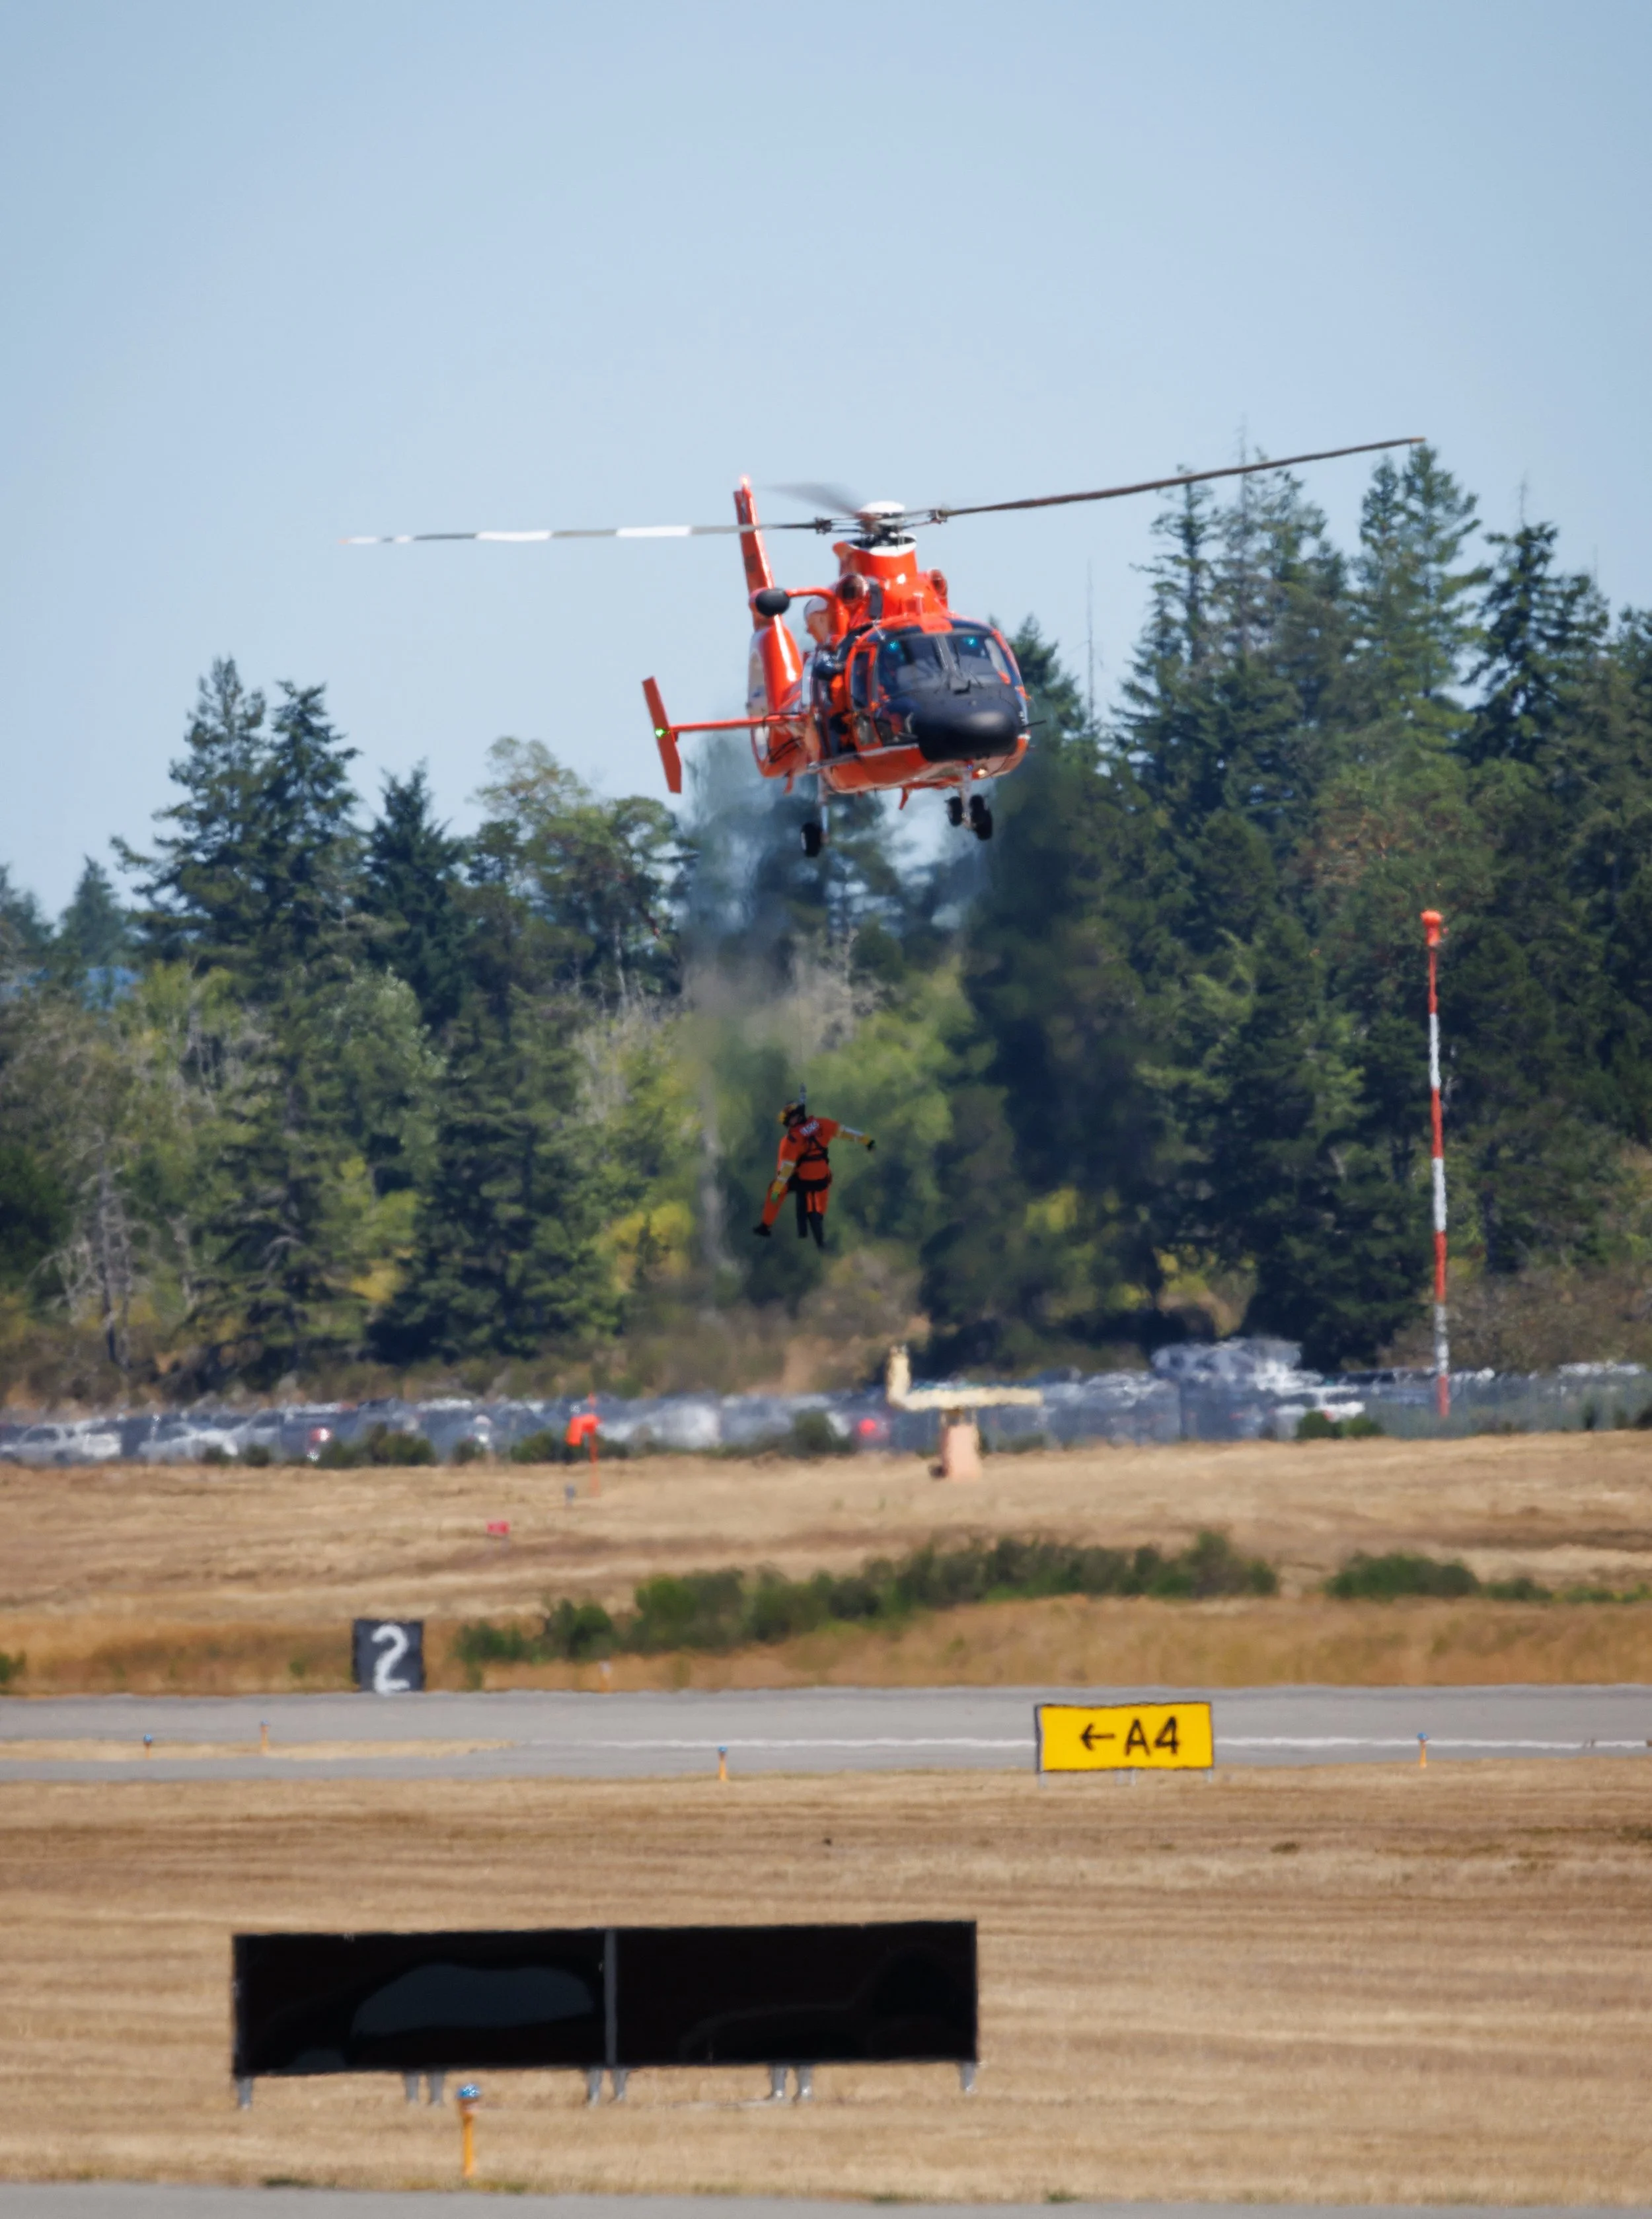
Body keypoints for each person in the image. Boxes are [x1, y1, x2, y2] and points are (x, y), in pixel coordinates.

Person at [753, 1099, 874, 1248]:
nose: (788, 1125)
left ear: (796, 1117)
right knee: (826, 1179)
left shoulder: (791, 1140)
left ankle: (765, 1226)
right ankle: (820, 1215)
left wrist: (777, 1190)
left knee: (775, 1189)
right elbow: (846, 1133)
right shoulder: (823, 1124)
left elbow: (785, 1171)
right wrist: (867, 1141)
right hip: (822, 1179)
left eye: (789, 1121)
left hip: (803, 1179)